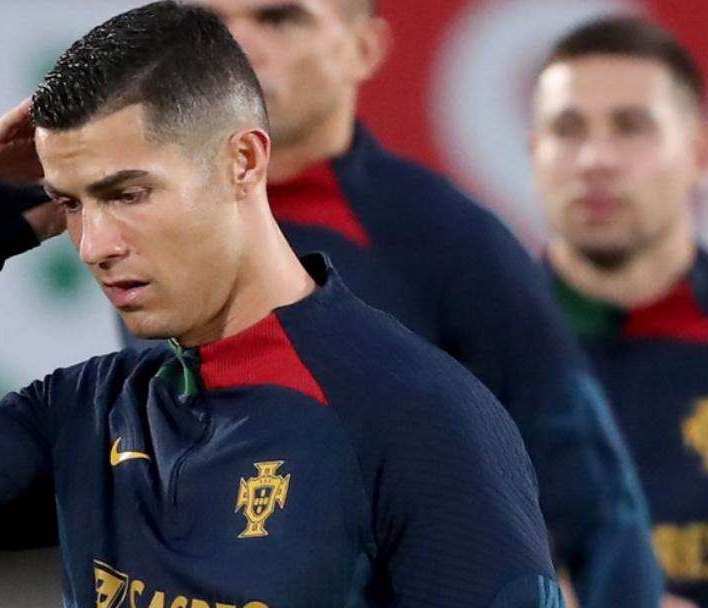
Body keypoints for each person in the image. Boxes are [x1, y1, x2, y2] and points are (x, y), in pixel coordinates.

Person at [0, 2, 562, 606]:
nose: (93, 244)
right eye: (70, 203)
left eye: (127, 193)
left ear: (242, 162)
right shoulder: (86, 414)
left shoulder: (419, 418)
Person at [169, 1, 665, 606]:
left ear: (365, 49)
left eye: (280, 19)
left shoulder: (452, 240)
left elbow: (598, 506)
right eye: (210, 22)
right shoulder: (151, 231)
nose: (237, 46)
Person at [531, 16, 708, 608]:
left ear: (698, 152)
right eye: (567, 129)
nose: (595, 159)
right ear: (533, 152)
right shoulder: (463, 354)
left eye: (632, 127)